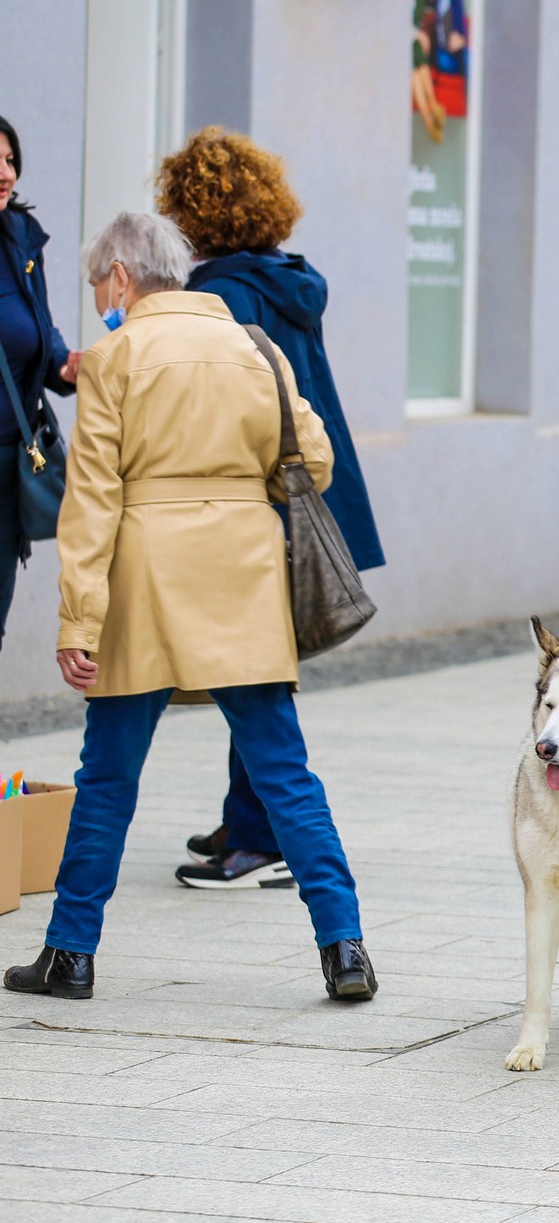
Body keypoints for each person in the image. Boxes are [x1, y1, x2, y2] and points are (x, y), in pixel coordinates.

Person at [2, 211, 375, 1004]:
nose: (102, 297)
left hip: (146, 577)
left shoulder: (114, 356)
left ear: (124, 278)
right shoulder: (255, 346)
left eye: (101, 282)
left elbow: (93, 499)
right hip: (242, 574)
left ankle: (71, 954)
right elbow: (318, 459)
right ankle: (345, 947)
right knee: (284, 771)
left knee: (106, 776)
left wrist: (78, 619)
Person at [155, 127, 385, 890]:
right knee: (258, 662)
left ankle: (261, 835)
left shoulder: (222, 293)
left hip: (261, 498)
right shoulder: (287, 277)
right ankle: (246, 815)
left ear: (192, 211)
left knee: (251, 666)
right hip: (311, 487)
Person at [0, 116, 83, 646]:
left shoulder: (20, 239)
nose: (5, 174)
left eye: (9, 161)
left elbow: (38, 326)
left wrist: (64, 365)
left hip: (8, 461)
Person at [410, 0, 447, 144]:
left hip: (414, 49)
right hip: (407, 45)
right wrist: (417, 34)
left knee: (415, 60)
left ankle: (431, 110)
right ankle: (430, 111)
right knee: (413, 52)